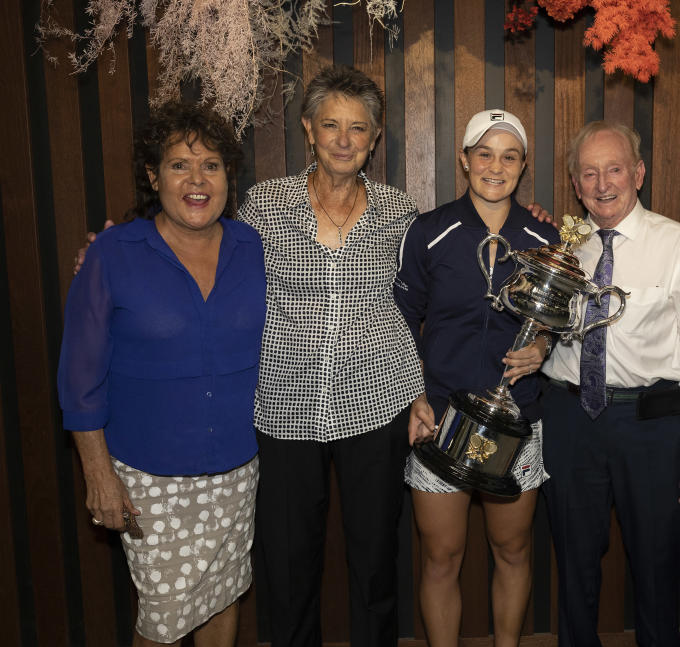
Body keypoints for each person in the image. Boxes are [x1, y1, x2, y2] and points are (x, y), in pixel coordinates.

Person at [58, 102, 265, 646]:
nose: (197, 181)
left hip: (237, 471)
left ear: (228, 177)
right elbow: (79, 380)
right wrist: (98, 475)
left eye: (211, 166)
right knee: (164, 618)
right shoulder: (112, 254)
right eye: (179, 165)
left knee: (223, 595)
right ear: (153, 176)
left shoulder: (255, 249)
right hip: (151, 479)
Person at [235, 64, 424, 646]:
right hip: (285, 405)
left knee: (375, 557)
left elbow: (427, 299)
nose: (344, 139)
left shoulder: (399, 212)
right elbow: (212, 270)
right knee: (288, 563)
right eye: (331, 125)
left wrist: (419, 390)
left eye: (359, 128)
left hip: (377, 400)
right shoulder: (263, 205)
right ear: (309, 130)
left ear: (374, 139)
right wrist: (121, 246)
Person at [538, 121, 680, 647]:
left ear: (638, 173)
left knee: (658, 570)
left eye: (614, 169)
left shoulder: (677, 243)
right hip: (569, 420)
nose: (602, 184)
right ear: (575, 184)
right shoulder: (563, 247)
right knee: (572, 568)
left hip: (651, 425)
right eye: (588, 174)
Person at [397, 109, 560, 646]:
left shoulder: (545, 236)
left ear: (523, 165)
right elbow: (398, 322)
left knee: (512, 551)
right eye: (484, 153)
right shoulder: (429, 230)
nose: (496, 166)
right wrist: (415, 394)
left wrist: (541, 347)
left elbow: (557, 320)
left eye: (509, 155)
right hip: (442, 414)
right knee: (441, 557)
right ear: (464, 160)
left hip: (517, 417)